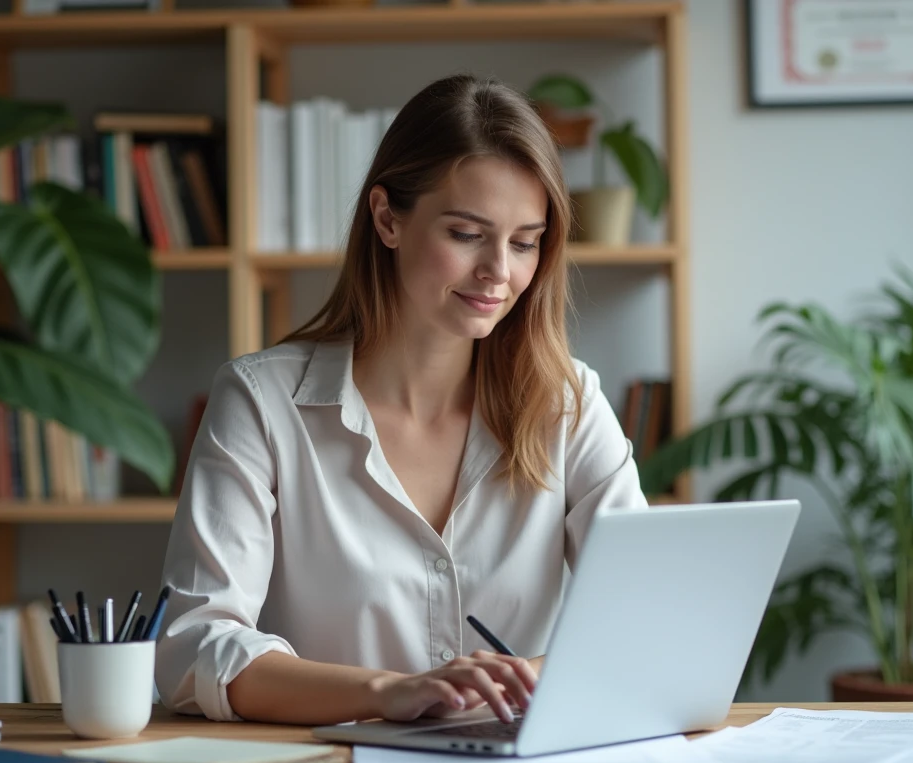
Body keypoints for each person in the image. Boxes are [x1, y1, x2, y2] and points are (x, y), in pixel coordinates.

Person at [154, 73, 648, 727]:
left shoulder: (568, 404)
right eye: (468, 234)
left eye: (525, 242)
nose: (500, 271)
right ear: (388, 218)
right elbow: (191, 649)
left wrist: (524, 680)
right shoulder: (261, 402)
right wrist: (389, 690)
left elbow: (649, 622)